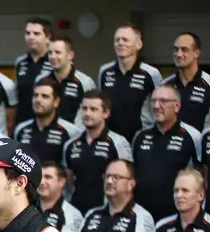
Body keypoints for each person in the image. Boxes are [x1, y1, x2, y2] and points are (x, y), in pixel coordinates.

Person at [131, 84, 203, 222]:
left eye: (163, 101)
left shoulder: (192, 136)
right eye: (154, 101)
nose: (157, 106)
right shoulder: (140, 137)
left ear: (177, 106)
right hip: (142, 216)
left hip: (177, 218)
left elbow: (201, 178)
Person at [63, 89, 133, 213]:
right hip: (76, 210)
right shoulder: (70, 145)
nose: (87, 113)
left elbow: (128, 180)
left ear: (106, 113)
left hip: (107, 212)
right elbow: (68, 181)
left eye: (93, 109)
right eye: (84, 109)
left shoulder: (118, 142)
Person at [98, 24, 163, 140]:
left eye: (125, 40)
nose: (120, 43)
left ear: (139, 44)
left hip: (142, 139)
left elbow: (162, 106)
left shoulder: (151, 73)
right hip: (111, 139)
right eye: (117, 40)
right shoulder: (104, 71)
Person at [14, 77, 80, 166]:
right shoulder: (20, 130)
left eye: (45, 96)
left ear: (56, 102)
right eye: (35, 95)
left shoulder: (70, 132)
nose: (38, 100)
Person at [42, 35, 96, 129]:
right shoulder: (42, 81)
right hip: (47, 138)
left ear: (70, 55)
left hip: (74, 138)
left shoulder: (85, 82)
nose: (53, 56)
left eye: (58, 52)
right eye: (50, 52)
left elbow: (94, 114)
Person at [164, 33, 210, 133]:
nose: (179, 54)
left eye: (184, 49)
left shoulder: (208, 84)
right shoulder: (165, 85)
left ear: (196, 53)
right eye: (176, 49)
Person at [14, 18, 53, 128]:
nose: (31, 37)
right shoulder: (20, 62)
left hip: (49, 126)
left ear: (48, 38)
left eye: (36, 34)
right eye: (28, 33)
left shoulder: (54, 61)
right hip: (23, 125)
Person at [38, 162, 85, 232]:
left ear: (62, 181)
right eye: (40, 176)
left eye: (48, 177)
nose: (42, 182)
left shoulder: (73, 214)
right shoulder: (26, 206)